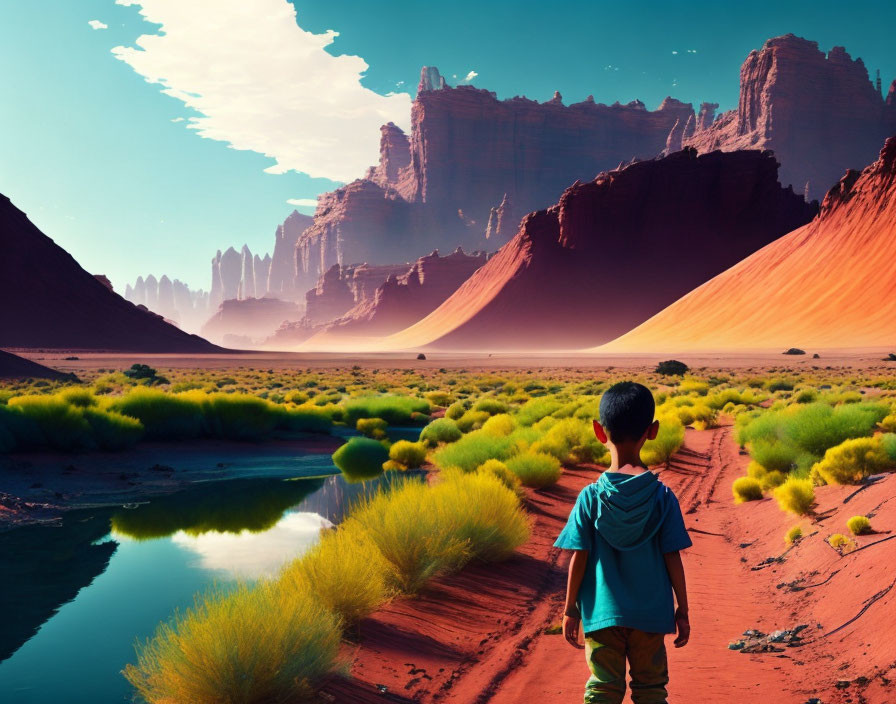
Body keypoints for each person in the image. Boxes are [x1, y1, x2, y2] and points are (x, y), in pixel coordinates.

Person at [555, 381, 691, 704]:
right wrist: (682, 610)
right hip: (651, 616)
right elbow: (673, 557)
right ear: (653, 430)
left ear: (599, 432)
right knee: (651, 690)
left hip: (603, 616)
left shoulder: (590, 498)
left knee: (603, 689)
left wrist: (570, 608)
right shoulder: (662, 497)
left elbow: (579, 557)